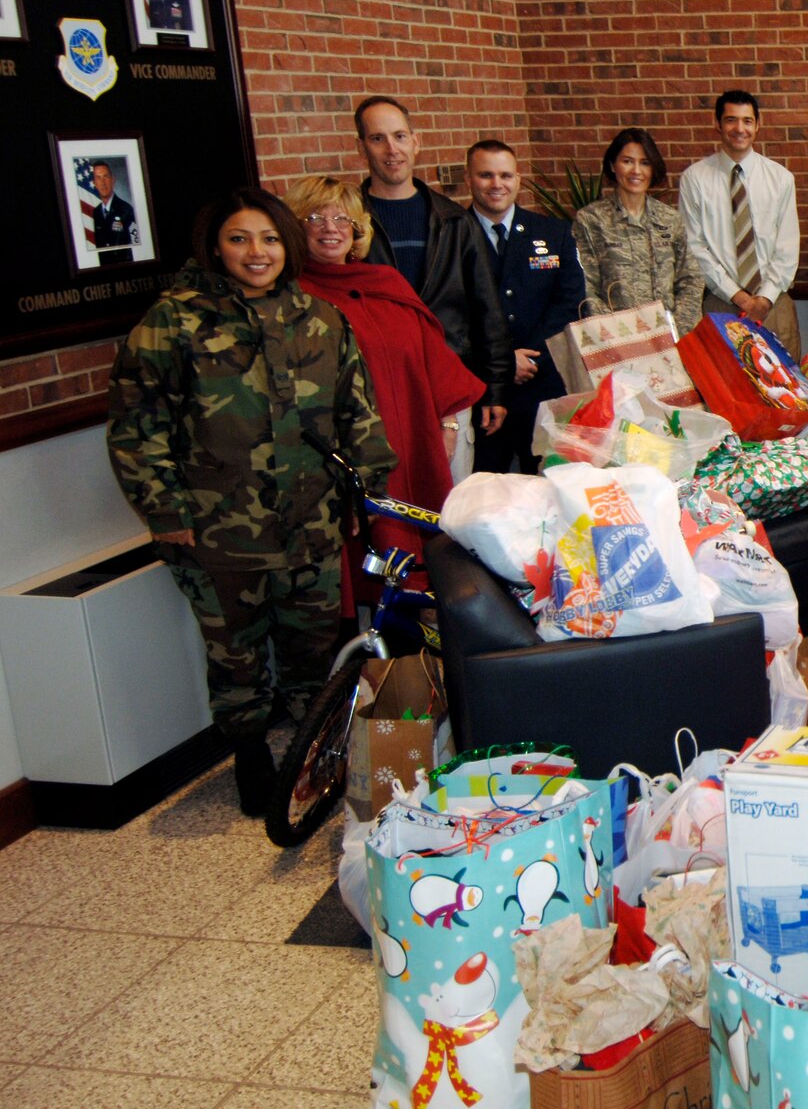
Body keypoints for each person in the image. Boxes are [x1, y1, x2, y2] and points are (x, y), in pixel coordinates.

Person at [106, 187, 395, 817]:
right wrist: (167, 512)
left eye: (268, 239)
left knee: (311, 648)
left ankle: (310, 750)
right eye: (240, 239)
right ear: (217, 246)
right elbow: (137, 428)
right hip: (219, 530)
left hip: (312, 522)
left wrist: (362, 496)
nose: (256, 252)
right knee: (235, 654)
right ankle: (248, 749)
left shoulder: (319, 319)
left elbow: (358, 414)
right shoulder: (173, 322)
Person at [286, 176, 484, 589]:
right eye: (315, 217)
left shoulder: (385, 284)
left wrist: (448, 424)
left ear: (358, 229)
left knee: (426, 564)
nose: (330, 228)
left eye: (342, 217)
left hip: (413, 441)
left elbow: (435, 360)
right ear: (294, 228)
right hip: (351, 454)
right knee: (368, 568)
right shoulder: (293, 298)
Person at [352, 95, 511, 439]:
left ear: (416, 142)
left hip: (449, 381)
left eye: (399, 136)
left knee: (452, 490)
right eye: (378, 139)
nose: (391, 149)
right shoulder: (349, 223)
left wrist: (495, 385)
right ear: (361, 147)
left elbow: (486, 307)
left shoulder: (453, 220)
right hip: (376, 386)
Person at [462, 142, 583, 473]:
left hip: (542, 383)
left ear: (518, 179)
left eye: (505, 174)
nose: (496, 184)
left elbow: (569, 301)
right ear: (469, 178)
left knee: (547, 483)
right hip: (483, 388)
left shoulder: (554, 232)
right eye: (486, 175)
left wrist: (530, 356)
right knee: (487, 489)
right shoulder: (452, 233)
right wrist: (501, 362)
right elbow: (450, 313)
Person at [678, 93, 804, 359]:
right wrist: (739, 296)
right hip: (720, 302)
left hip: (773, 305)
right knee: (723, 392)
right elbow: (695, 247)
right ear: (718, 124)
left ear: (758, 125)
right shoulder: (695, 179)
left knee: (785, 394)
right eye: (731, 120)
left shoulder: (781, 179)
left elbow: (788, 247)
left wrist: (765, 296)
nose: (740, 129)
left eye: (747, 121)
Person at [573, 127, 707, 339]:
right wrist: (622, 337)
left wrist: (677, 331)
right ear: (612, 165)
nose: (636, 171)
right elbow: (585, 288)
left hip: (672, 340)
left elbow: (690, 279)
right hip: (619, 344)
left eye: (645, 163)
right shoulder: (591, 220)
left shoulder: (669, 219)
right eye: (627, 161)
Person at [84, 161, 138, 266]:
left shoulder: (126, 210)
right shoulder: (96, 212)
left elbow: (137, 245)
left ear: (112, 180)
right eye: (98, 178)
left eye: (106, 176)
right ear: (94, 183)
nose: (103, 182)